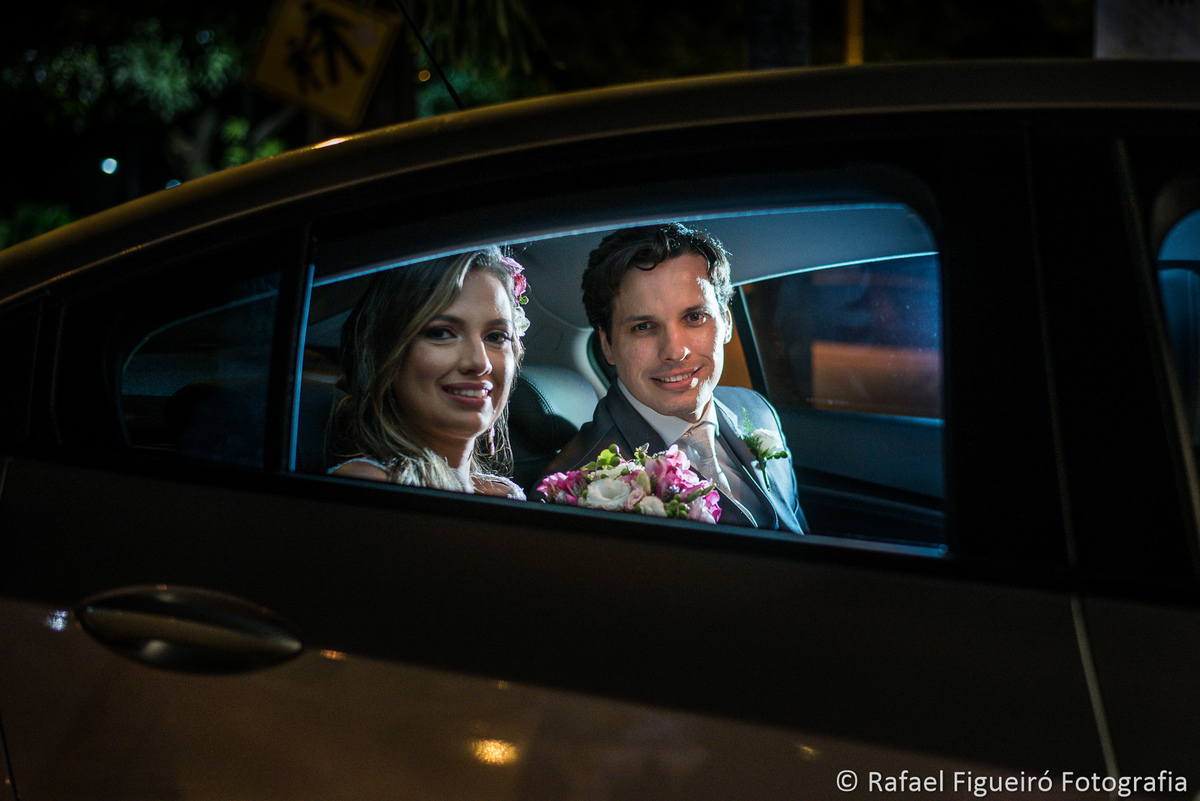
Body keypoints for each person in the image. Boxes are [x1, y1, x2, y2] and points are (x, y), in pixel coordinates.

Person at [542, 223, 807, 532]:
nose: (674, 351)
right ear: (607, 345)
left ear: (726, 323)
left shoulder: (756, 409)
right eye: (643, 326)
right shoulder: (574, 490)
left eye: (694, 317)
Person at [330, 247, 529, 499]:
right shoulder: (368, 485)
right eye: (441, 333)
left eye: (496, 337)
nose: (480, 363)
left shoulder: (505, 493)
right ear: (387, 354)